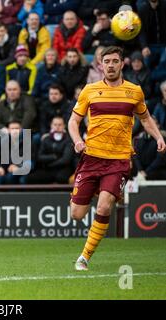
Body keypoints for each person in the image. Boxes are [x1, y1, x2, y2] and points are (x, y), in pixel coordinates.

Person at [68, 46, 166, 271]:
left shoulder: (134, 91)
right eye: (106, 61)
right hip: (91, 157)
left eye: (114, 61)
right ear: (100, 65)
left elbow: (146, 118)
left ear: (123, 64)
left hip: (118, 160)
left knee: (104, 208)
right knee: (76, 214)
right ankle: (91, 190)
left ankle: (84, 257)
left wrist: (159, 136)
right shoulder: (90, 90)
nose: (110, 65)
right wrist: (77, 141)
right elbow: (73, 121)